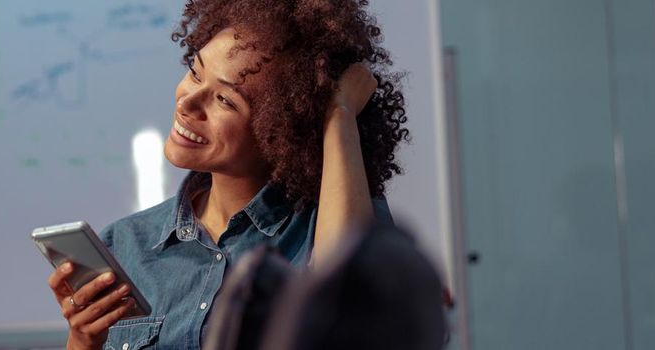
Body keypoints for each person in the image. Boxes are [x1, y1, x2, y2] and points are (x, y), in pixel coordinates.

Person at [47, 0, 409, 348]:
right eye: (195, 72)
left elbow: (354, 311)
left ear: (282, 131)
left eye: (225, 100)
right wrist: (83, 342)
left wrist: (338, 115)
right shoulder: (124, 246)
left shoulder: (337, 223)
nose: (187, 103)